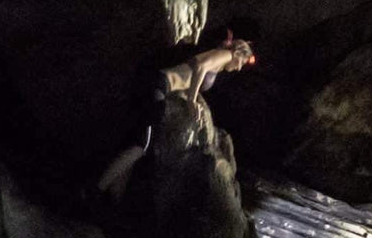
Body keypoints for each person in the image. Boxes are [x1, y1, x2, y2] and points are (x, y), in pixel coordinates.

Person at [96, 33, 256, 201]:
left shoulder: (220, 62)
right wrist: (192, 101)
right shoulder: (225, 55)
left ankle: (113, 198)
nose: (239, 68)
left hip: (159, 87)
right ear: (238, 53)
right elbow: (200, 66)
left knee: (136, 145)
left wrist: (196, 102)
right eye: (242, 63)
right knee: (142, 145)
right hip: (157, 85)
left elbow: (189, 78)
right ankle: (95, 190)